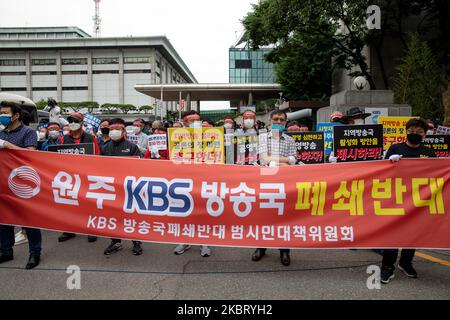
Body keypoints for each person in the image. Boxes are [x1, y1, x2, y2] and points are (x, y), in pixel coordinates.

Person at [380, 118, 436, 284]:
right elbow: (381, 171)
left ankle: (405, 262)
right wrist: (390, 161)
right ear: (406, 132)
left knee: (413, 232)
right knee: (393, 232)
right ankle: (387, 266)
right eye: (412, 132)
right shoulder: (396, 148)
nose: (415, 135)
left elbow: (437, 175)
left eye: (419, 132)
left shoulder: (429, 152)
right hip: (396, 198)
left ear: (425, 134)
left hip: (418, 200)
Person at [0, 100, 42, 269]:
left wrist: (7, 145)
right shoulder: (1, 133)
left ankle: (34, 252)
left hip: (23, 182)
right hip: (4, 182)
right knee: (4, 219)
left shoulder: (28, 132)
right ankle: (5, 251)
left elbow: (31, 155)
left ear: (16, 115)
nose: (2, 117)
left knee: (29, 220)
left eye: (5, 113)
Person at [252, 110, 297, 266]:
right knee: (264, 217)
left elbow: (293, 161)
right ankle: (261, 247)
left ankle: (284, 250)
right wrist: (283, 163)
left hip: (285, 184)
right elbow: (264, 159)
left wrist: (274, 162)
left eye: (282, 120)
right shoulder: (263, 137)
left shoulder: (290, 140)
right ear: (270, 121)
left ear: (285, 122)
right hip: (265, 183)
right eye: (276, 119)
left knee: (284, 219)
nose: (279, 122)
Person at [101, 118, 144, 255]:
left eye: (117, 129)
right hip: (111, 188)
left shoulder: (132, 147)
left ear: (124, 131)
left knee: (131, 216)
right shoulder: (105, 147)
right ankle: (115, 241)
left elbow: (140, 167)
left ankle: (136, 241)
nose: (114, 132)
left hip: (128, 189)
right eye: (112, 129)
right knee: (112, 216)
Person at [173, 110, 211, 257]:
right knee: (185, 212)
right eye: (192, 120)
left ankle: (204, 242)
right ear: (184, 122)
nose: (196, 123)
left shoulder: (209, 136)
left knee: (203, 212)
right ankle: (185, 240)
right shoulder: (176, 137)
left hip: (204, 180)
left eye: (198, 120)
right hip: (184, 180)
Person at [58, 112, 100, 243]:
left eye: (75, 120)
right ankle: (69, 229)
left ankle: (91, 229)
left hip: (87, 175)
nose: (72, 123)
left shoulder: (90, 138)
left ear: (82, 123)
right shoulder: (63, 139)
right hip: (69, 176)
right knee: (69, 203)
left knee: (88, 203)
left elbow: (97, 155)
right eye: (70, 121)